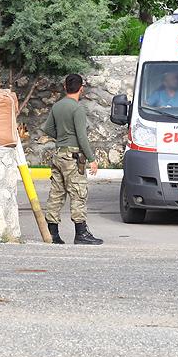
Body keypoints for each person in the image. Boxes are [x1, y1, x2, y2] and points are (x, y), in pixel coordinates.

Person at [42, 74, 102, 245]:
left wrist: (62, 137)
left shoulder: (57, 106)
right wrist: (91, 159)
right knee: (78, 192)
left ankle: (52, 233)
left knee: (56, 193)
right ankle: (81, 233)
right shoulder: (77, 109)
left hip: (59, 154)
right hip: (73, 156)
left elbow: (48, 128)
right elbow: (82, 137)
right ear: (81, 88)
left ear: (65, 87)